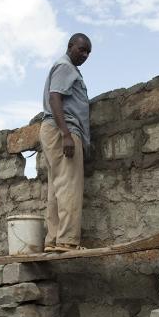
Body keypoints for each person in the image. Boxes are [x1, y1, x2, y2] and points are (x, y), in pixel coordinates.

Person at [40, 33, 92, 253]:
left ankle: (53, 240)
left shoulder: (65, 67)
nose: (85, 55)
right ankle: (67, 241)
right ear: (70, 46)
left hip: (52, 129)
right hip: (64, 129)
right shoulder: (65, 67)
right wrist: (66, 134)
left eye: (88, 52)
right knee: (69, 186)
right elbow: (55, 98)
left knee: (56, 188)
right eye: (81, 49)